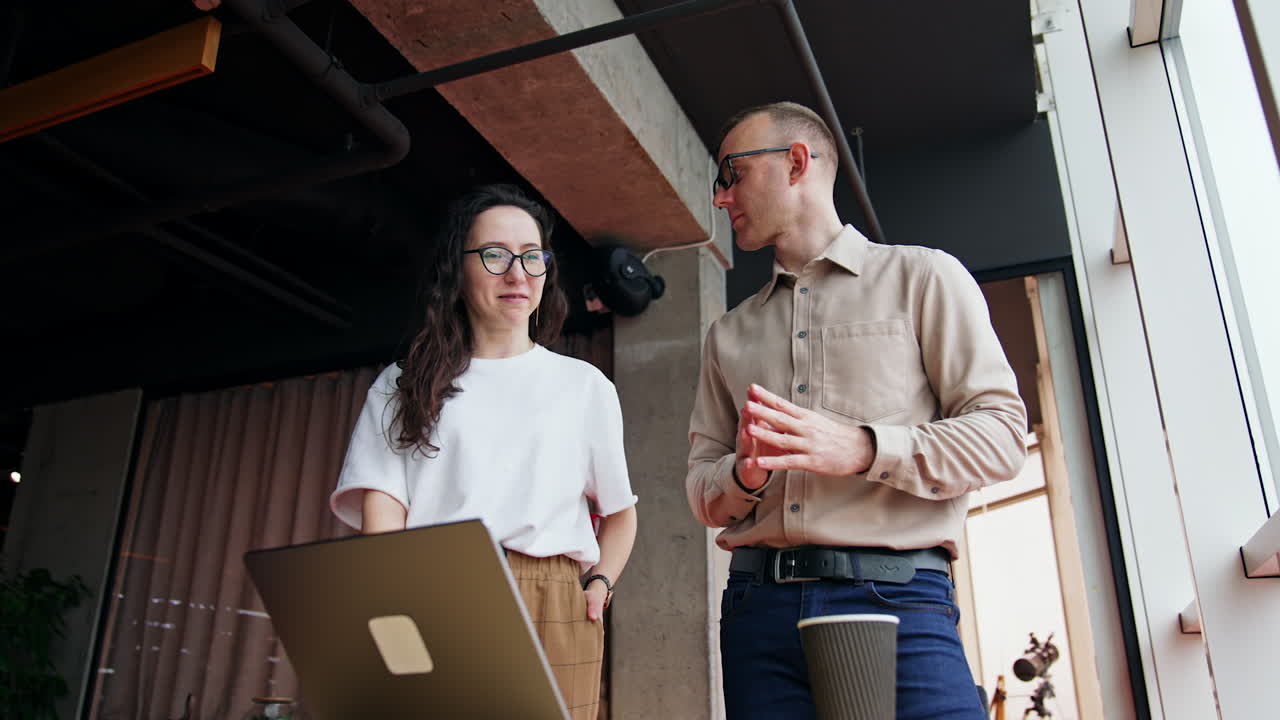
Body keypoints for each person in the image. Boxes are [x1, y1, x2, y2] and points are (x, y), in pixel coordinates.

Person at [687, 102, 1028, 719]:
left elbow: (1003, 435)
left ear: (796, 163)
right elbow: (701, 488)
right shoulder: (726, 336)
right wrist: (743, 475)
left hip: (898, 601)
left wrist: (867, 448)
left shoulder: (925, 279)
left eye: (731, 173)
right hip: (756, 613)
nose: (720, 197)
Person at [331, 184, 638, 720]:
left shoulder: (584, 386)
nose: (517, 273)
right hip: (435, 590)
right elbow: (383, 513)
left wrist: (599, 584)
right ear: (458, 269)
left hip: (554, 596)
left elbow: (620, 513)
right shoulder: (402, 384)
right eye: (495, 255)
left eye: (532, 256)